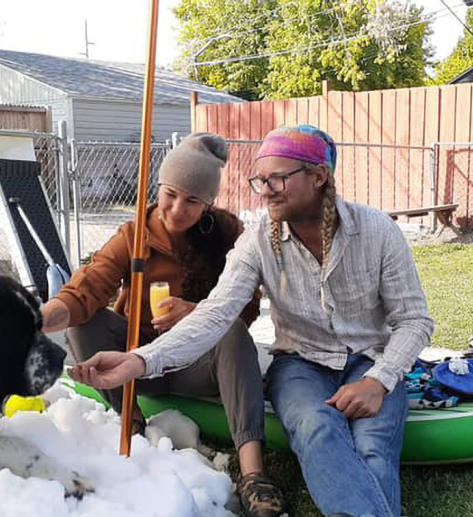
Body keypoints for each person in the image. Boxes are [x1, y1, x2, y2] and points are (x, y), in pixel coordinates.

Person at [69, 125, 434, 517]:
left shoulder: (376, 231)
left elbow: (414, 320)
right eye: (260, 179)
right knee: (316, 427)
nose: (265, 189)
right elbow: (214, 314)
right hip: (300, 364)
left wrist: (378, 380)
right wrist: (140, 360)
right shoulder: (258, 240)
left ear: (319, 176)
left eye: (277, 178)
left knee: (373, 445)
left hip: (371, 359)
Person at [41, 133, 288, 517]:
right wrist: (36, 320)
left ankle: (254, 474)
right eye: (170, 194)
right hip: (136, 363)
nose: (176, 209)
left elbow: (247, 306)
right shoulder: (133, 235)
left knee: (233, 330)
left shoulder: (226, 235)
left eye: (192, 200)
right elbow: (86, 289)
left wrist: (196, 312)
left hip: (196, 365)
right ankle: (133, 423)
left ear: (208, 203)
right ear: (158, 188)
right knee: (84, 321)